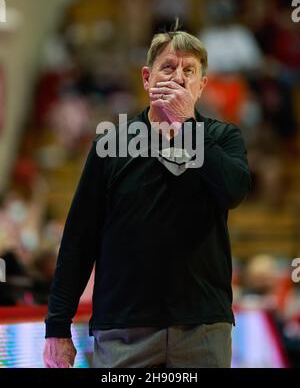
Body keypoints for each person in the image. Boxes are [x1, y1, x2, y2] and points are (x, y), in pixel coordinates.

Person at [43, 27, 251, 368]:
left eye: (189, 71)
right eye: (168, 68)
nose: (179, 78)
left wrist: (186, 125)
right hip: (124, 331)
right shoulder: (111, 145)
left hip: (202, 329)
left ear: (202, 86)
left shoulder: (223, 138)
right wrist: (56, 327)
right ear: (146, 78)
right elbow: (79, 239)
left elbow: (233, 192)